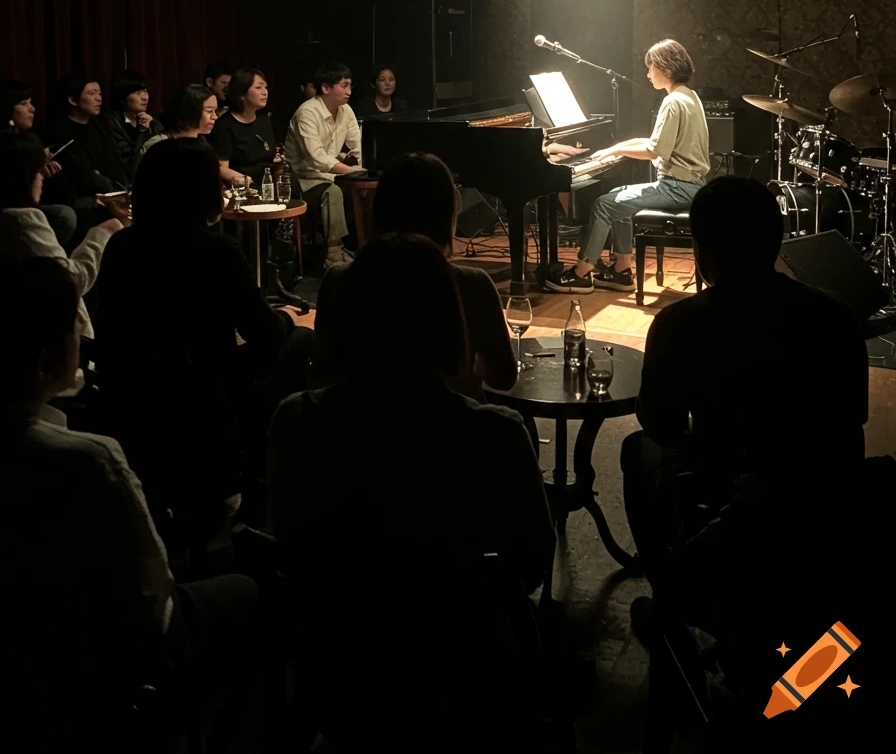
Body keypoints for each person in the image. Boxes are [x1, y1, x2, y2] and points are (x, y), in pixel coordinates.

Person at [268, 234, 555, 748]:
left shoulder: (296, 421)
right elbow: (530, 565)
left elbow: (291, 546)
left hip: (341, 675)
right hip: (469, 678)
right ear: (449, 322)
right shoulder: (496, 433)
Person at [1, 258, 264, 754]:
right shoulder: (88, 462)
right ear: (45, 359)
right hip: (104, 669)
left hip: (30, 672)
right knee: (249, 595)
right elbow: (153, 596)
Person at [620, 175, 868, 572]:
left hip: (730, 488)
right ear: (778, 238)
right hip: (825, 497)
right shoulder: (835, 313)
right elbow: (853, 419)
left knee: (637, 448)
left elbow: (660, 425)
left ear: (701, 252)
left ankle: (673, 588)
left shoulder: (679, 323)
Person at [94, 138, 307, 546]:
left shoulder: (121, 246)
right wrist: (284, 317)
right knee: (299, 341)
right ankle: (269, 481)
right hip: (204, 390)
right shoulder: (217, 252)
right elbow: (264, 333)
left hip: (135, 393)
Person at [314, 151, 516, 398]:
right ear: (446, 215)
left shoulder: (338, 279)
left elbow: (324, 373)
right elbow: (503, 377)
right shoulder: (473, 285)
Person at [547, 38, 710, 293]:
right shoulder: (689, 97)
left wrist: (617, 149)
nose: (647, 74)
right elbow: (656, 141)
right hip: (691, 186)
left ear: (665, 69)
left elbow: (653, 150)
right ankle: (621, 270)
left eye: (650, 67)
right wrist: (615, 147)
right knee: (615, 197)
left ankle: (580, 273)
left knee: (603, 205)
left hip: (678, 188)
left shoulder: (672, 102)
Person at [0, 134, 128, 385]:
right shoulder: (20, 221)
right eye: (39, 173)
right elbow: (69, 282)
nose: (42, 180)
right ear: (24, 176)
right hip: (50, 363)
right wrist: (105, 232)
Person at [283, 62, 361, 272]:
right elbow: (316, 157)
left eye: (350, 85)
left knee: (367, 190)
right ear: (326, 88)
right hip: (301, 178)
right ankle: (333, 253)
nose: (349, 91)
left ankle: (365, 248)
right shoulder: (307, 112)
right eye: (344, 85)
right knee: (333, 192)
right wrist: (351, 172)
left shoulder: (346, 110)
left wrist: (360, 171)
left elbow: (356, 147)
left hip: (331, 174)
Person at [1, 78, 76, 247]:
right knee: (65, 215)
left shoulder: (27, 136)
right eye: (23, 103)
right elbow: (29, 204)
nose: (32, 109)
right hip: (13, 213)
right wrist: (38, 174)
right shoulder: (11, 145)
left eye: (31, 103)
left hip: (27, 207)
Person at [48, 72, 130, 201]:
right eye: (92, 94)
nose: (99, 98)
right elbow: (80, 174)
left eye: (99, 93)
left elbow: (115, 164)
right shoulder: (60, 132)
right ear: (73, 100)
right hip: (85, 198)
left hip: (113, 192)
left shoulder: (101, 126)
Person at [208, 67, 277, 187]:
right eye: (258, 87)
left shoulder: (264, 121)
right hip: (244, 187)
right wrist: (246, 181)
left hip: (269, 184)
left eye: (265, 87)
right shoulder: (224, 125)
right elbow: (221, 168)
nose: (264, 92)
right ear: (241, 94)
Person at [102, 71, 163, 178]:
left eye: (145, 91)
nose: (145, 97)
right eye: (138, 93)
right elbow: (129, 167)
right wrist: (142, 132)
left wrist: (151, 128)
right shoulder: (111, 122)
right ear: (122, 96)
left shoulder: (152, 121)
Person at [140, 83, 218, 158]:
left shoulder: (203, 145)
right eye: (209, 111)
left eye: (215, 111)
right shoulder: (159, 144)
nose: (215, 117)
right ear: (190, 111)